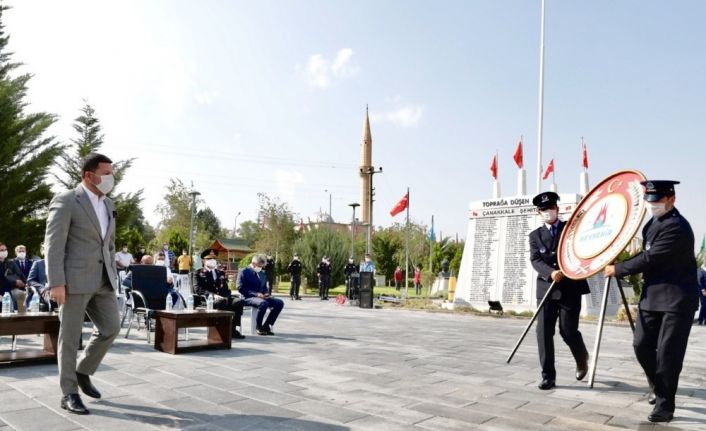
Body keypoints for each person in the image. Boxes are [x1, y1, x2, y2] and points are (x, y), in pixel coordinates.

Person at [604, 180, 698, 423]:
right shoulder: (652, 223)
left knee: (668, 355)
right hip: (652, 298)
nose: (651, 205)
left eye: (657, 200)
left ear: (671, 199)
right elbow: (644, 253)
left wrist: (618, 269)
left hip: (676, 300)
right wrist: (618, 260)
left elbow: (652, 257)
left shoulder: (676, 226)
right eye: (649, 200)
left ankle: (665, 405)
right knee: (641, 345)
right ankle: (658, 385)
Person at [45, 153, 121, 415]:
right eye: (106, 173)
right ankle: (69, 393)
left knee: (111, 327)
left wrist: (112, 270)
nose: (111, 178)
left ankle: (83, 370)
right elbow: (53, 245)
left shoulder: (108, 203)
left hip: (103, 280)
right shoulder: (67, 200)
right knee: (69, 338)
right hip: (73, 281)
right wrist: (56, 282)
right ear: (89, 175)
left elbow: (109, 244)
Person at [529, 191, 590, 391]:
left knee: (568, 330)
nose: (548, 211)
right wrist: (550, 272)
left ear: (557, 208)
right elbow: (535, 260)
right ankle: (548, 376)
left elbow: (582, 250)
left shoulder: (570, 229)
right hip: (546, 288)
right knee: (543, 333)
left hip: (569, 288)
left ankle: (581, 358)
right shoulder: (535, 236)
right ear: (539, 212)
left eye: (551, 207)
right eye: (544, 209)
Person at [196, 253, 244, 339]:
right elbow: (198, 289)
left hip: (223, 298)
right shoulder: (198, 273)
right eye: (209, 259)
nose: (212, 261)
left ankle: (232, 329)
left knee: (238, 302)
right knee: (221, 302)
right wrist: (213, 295)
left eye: (214, 259)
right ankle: (220, 329)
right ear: (204, 261)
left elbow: (226, 289)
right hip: (208, 299)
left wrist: (226, 296)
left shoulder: (220, 273)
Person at [238, 254, 284, 335]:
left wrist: (266, 293)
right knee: (263, 303)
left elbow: (264, 286)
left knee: (279, 303)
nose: (261, 268)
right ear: (254, 263)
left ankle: (266, 325)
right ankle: (258, 327)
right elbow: (240, 288)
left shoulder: (261, 273)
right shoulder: (244, 271)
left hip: (261, 297)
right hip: (248, 297)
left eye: (262, 267)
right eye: (260, 266)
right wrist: (256, 294)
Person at [5, 244, 34, 312]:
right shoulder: (11, 262)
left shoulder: (31, 262)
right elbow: (9, 275)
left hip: (29, 286)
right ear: (16, 253)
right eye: (19, 251)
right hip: (16, 286)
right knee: (18, 295)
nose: (22, 253)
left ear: (26, 252)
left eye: (23, 251)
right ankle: (17, 311)